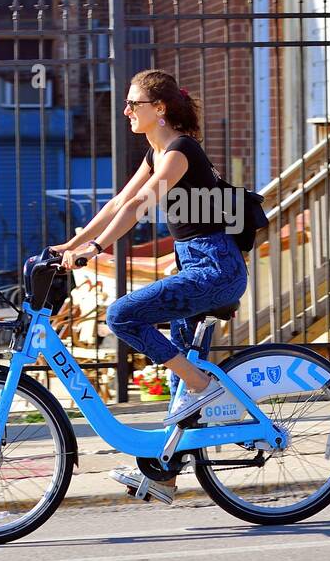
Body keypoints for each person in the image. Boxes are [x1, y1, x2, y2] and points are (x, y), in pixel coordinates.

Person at [49, 68, 248, 502]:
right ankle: (165, 474)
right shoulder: (154, 153)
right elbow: (119, 201)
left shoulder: (180, 151)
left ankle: (203, 387)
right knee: (179, 370)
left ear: (159, 109)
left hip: (214, 270)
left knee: (121, 315)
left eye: (133, 104)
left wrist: (97, 246)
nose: (125, 111)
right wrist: (72, 243)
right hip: (193, 267)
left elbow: (142, 203)